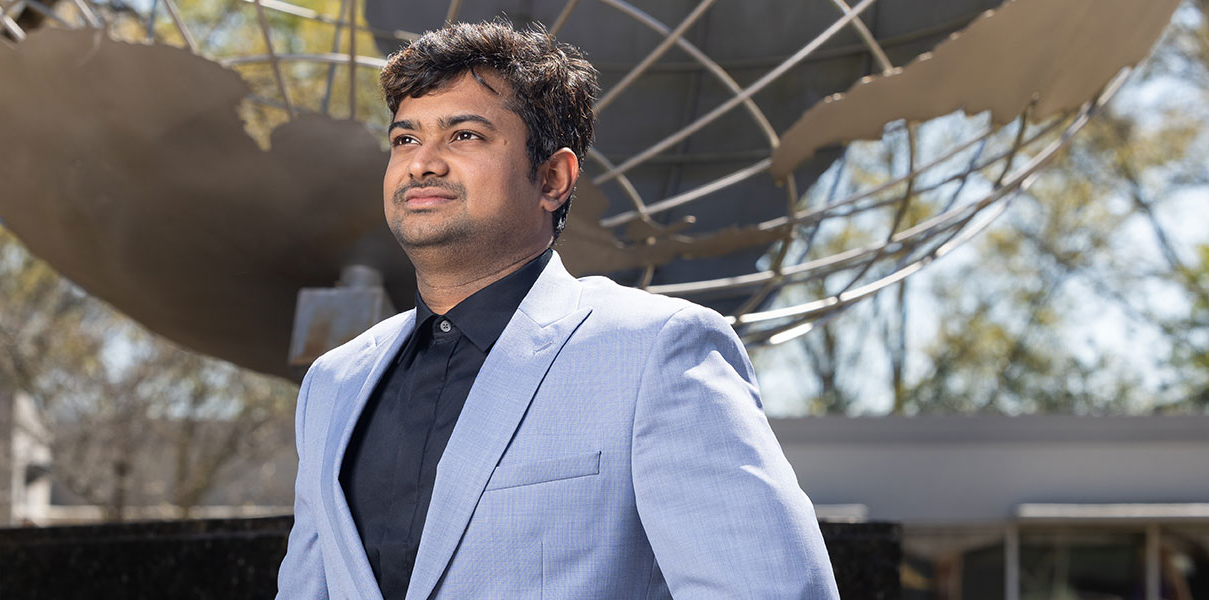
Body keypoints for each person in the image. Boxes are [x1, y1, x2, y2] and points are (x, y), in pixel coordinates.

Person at [277, 20, 838, 600]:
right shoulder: (334, 384)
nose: (423, 163)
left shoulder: (655, 352)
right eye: (405, 139)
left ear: (553, 178)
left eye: (465, 135)